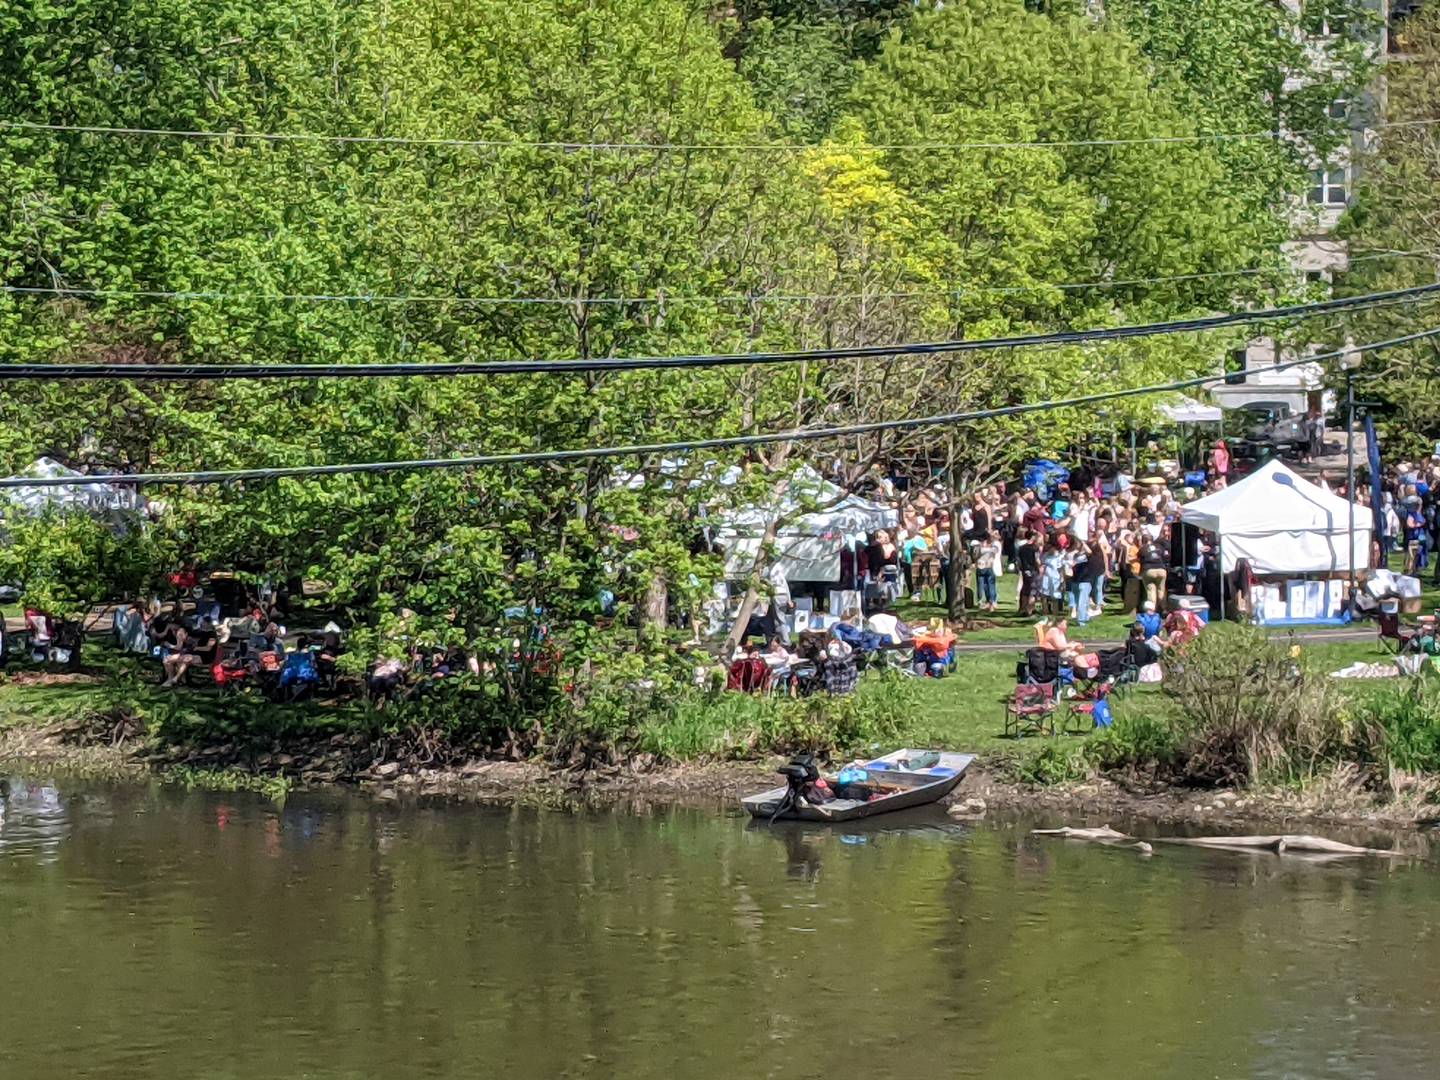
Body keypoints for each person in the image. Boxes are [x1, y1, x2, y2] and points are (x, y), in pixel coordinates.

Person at [1139, 531, 1171, 609]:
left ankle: (1152, 610)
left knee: (1151, 590)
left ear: (1143, 541)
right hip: (1161, 569)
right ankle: (1164, 609)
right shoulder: (1159, 546)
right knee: (1161, 590)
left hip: (1149, 570)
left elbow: (1140, 559)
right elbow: (1165, 556)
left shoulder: (1143, 548)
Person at [974, 530, 1002, 612]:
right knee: (991, 585)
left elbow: (975, 556)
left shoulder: (979, 547)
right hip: (989, 566)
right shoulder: (992, 547)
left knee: (981, 585)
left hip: (980, 566)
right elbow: (995, 552)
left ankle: (981, 601)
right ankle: (992, 601)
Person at [1014, 528, 1040, 616]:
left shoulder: (1021, 548)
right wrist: (1039, 568)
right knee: (1033, 590)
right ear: (1032, 537)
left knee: (1025, 589)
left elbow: (1019, 560)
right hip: (1033, 570)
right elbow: (1037, 560)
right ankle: (1030, 610)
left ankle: (1023, 608)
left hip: (1025, 570)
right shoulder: (1035, 548)